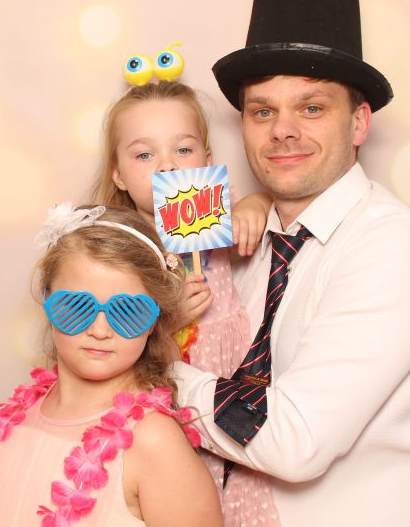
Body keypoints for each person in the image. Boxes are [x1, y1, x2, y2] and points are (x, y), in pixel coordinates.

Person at [171, 0, 410, 526]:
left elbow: (293, 441)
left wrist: (151, 373)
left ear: (359, 122)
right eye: (263, 112)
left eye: (311, 108)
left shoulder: (398, 249)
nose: (283, 131)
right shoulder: (238, 246)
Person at [0, 205, 222, 527]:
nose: (100, 331)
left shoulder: (154, 442)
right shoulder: (16, 419)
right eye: (76, 306)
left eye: (127, 311)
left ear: (155, 314)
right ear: (47, 298)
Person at [90, 79, 282, 524]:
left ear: (207, 160)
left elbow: (265, 200)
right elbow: (105, 333)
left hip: (232, 372)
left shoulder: (214, 212)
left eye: (183, 150)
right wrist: (168, 315)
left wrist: (254, 205)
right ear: (117, 174)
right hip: (162, 381)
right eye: (144, 155)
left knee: (242, 481)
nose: (167, 166)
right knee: (179, 486)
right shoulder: (120, 246)